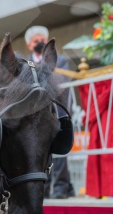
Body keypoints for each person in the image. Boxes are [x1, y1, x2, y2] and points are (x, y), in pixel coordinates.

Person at [24, 26, 75, 199]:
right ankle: (43, 191)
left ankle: (61, 189)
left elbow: (61, 82)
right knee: (40, 154)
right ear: (29, 45)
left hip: (56, 110)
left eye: (42, 40)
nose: (40, 43)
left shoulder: (60, 61)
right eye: (36, 41)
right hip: (35, 116)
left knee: (59, 152)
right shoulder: (25, 64)